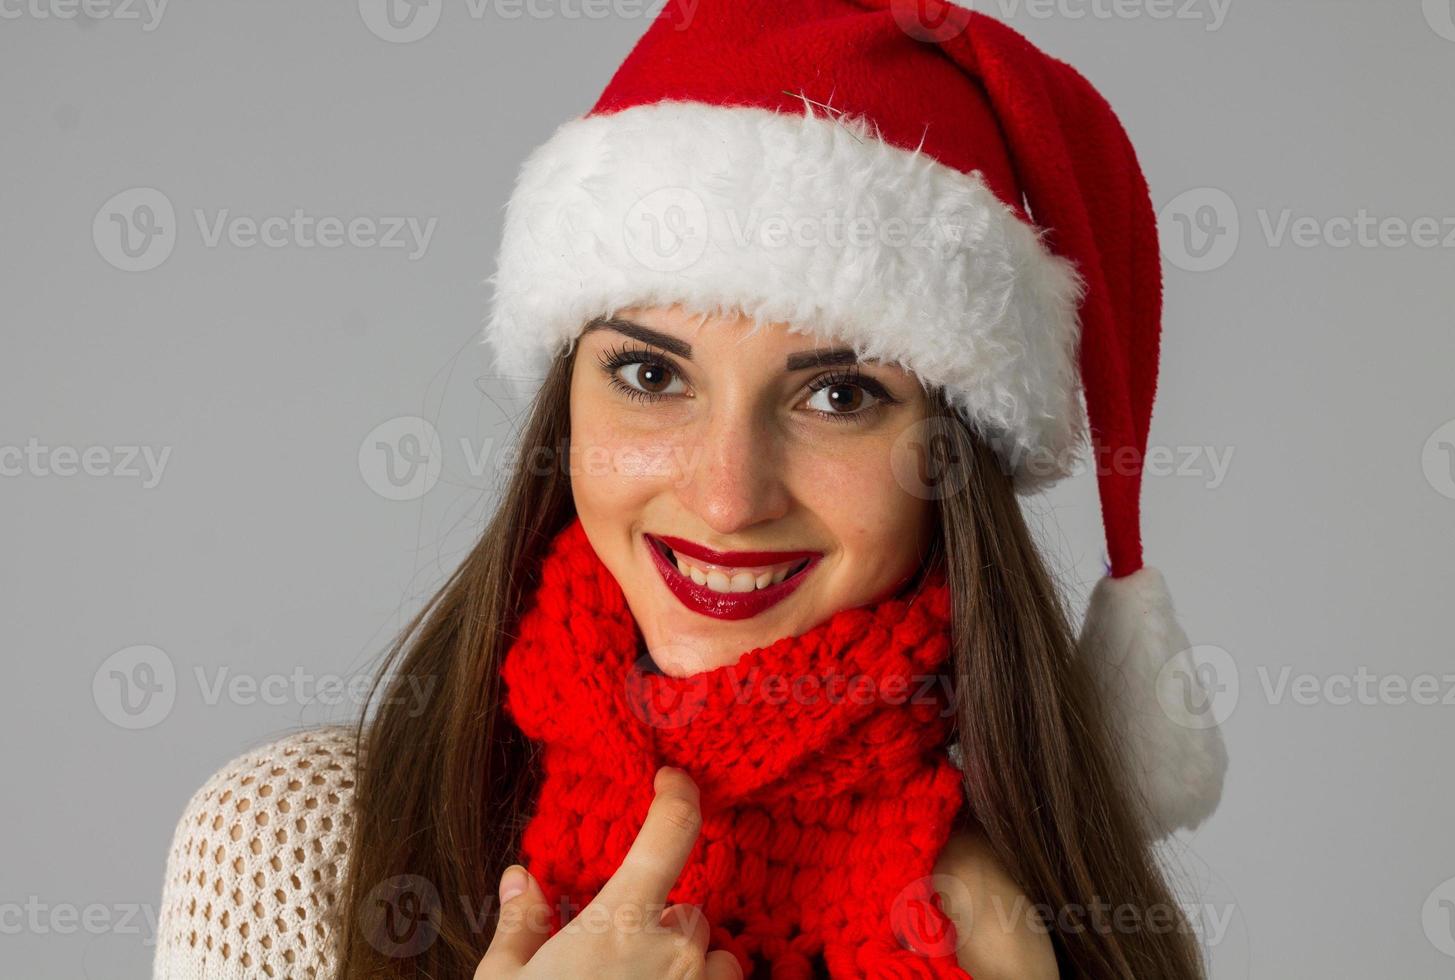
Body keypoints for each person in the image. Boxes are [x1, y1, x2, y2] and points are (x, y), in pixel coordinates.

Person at [151, 2, 1227, 977]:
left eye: (842, 394)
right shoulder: (292, 854)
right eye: (652, 374)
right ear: (567, 400)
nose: (726, 495)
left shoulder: (1039, 930)